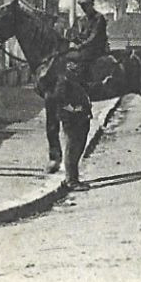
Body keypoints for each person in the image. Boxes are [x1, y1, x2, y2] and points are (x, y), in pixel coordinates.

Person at [46, 56, 93, 191]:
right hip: (72, 119)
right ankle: (71, 181)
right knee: (72, 148)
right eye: (73, 64)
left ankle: (74, 179)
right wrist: (74, 109)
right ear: (67, 65)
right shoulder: (63, 80)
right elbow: (60, 101)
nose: (76, 66)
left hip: (81, 118)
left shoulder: (75, 78)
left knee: (78, 148)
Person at [69, 0, 109, 71]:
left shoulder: (99, 18)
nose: (84, 9)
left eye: (86, 6)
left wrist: (81, 45)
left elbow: (94, 37)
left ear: (92, 5)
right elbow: (81, 35)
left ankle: (83, 79)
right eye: (82, 7)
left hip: (97, 47)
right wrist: (72, 41)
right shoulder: (82, 20)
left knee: (82, 57)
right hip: (85, 47)